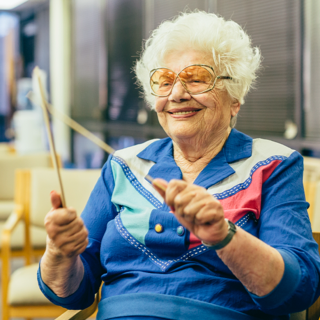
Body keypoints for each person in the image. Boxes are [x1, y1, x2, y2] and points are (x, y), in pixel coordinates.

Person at [38, 11, 320, 320]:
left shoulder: (273, 165)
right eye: (164, 81)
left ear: (235, 96)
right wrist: (59, 255)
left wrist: (225, 237)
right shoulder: (123, 165)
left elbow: (300, 289)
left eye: (196, 78)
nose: (176, 94)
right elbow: (76, 291)